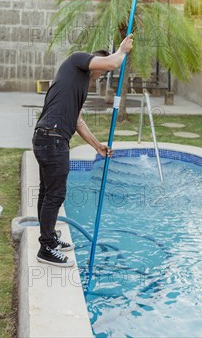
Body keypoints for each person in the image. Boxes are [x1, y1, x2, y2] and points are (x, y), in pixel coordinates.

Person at [33, 34, 134, 267]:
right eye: (100, 71)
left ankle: (49, 238)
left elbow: (78, 122)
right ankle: (46, 248)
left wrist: (97, 146)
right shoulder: (77, 60)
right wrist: (122, 50)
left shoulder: (76, 87)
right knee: (55, 195)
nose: (101, 76)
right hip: (52, 139)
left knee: (46, 192)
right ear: (94, 62)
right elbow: (111, 62)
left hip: (47, 138)